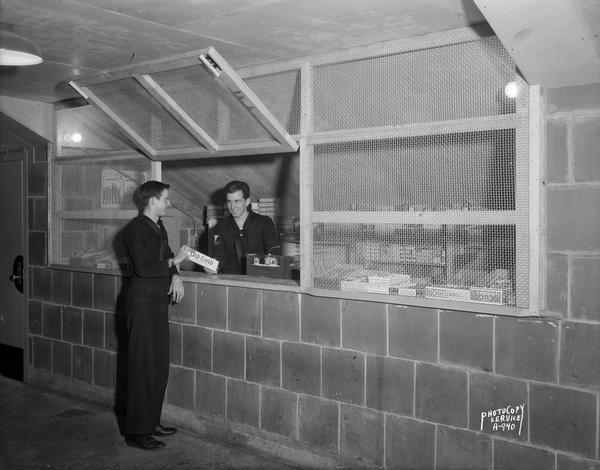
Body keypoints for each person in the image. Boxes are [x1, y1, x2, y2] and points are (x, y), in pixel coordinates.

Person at [121, 180, 190, 451]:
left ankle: (151, 421)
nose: (169, 203)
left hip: (156, 305)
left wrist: (175, 276)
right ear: (152, 201)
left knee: (158, 366)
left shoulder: (156, 226)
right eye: (166, 199)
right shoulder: (135, 230)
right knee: (142, 367)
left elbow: (166, 255)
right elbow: (146, 267)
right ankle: (136, 432)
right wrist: (175, 263)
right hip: (142, 306)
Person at [209, 180, 278, 274]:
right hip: (230, 281)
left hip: (258, 281)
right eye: (229, 202)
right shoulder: (220, 227)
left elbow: (273, 255)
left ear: (247, 201)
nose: (232, 207)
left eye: (237, 201)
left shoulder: (265, 223)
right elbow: (218, 257)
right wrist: (212, 267)